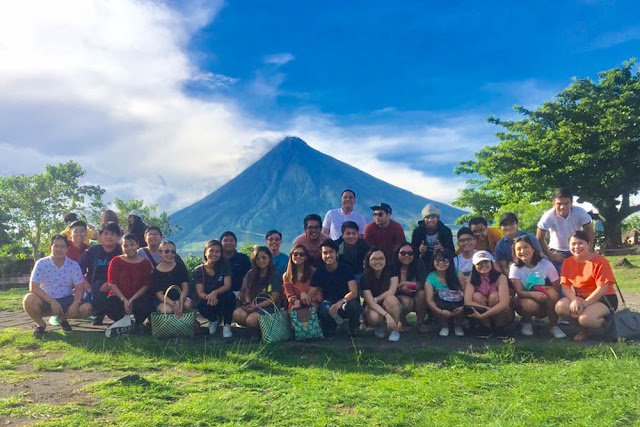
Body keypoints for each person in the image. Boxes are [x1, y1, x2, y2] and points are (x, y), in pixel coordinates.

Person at [23, 235, 93, 338]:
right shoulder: (41, 263)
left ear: (67, 249)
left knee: (87, 308)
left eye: (62, 246)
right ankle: (41, 325)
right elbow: (33, 288)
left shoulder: (73, 265)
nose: (59, 249)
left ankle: (63, 319)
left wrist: (76, 303)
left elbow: (79, 288)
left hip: (66, 299)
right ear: (50, 247)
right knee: (28, 300)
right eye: (56, 246)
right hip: (46, 300)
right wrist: (52, 301)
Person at [555, 231, 617, 342]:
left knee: (585, 319)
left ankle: (611, 325)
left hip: (604, 299)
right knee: (561, 306)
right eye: (573, 244)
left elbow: (602, 288)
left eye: (580, 243)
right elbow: (565, 286)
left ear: (588, 244)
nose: (576, 247)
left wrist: (584, 304)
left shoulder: (600, 261)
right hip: (581, 298)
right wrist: (574, 299)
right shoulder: (567, 262)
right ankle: (584, 330)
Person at [509, 235, 565, 339]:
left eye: (526, 247)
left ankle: (554, 326)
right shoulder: (515, 267)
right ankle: (526, 322)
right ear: (515, 252)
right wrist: (533, 294)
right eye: (518, 249)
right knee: (529, 304)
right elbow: (519, 291)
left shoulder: (546, 264)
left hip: (544, 296)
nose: (522, 251)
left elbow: (557, 287)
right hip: (525, 298)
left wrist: (543, 290)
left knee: (553, 294)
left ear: (533, 249)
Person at [309, 239, 361, 338]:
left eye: (331, 252)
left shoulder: (346, 269)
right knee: (324, 308)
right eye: (325, 253)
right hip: (329, 303)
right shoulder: (319, 272)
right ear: (321, 255)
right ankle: (330, 329)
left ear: (336, 253)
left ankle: (354, 329)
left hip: (345, 302)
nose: (328, 255)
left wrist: (340, 302)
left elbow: (354, 292)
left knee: (354, 305)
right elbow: (311, 293)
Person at [537, 187, 594, 274]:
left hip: (577, 248)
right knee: (561, 278)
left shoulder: (580, 212)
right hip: (558, 252)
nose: (562, 207)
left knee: (585, 275)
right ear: (553, 204)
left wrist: (588, 249)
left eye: (566, 203)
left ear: (571, 203)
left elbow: (590, 231)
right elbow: (539, 238)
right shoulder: (548, 216)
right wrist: (550, 255)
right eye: (559, 204)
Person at [105, 234, 154, 334]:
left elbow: (146, 285)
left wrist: (131, 300)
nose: (129, 248)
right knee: (111, 303)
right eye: (126, 246)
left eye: (132, 245)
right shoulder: (116, 261)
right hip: (119, 298)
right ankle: (126, 323)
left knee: (145, 303)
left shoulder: (145, 263)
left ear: (137, 245)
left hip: (137, 298)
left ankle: (131, 324)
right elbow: (112, 283)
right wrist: (124, 299)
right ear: (122, 247)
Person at [79, 222, 123, 325]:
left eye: (112, 234)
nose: (109, 237)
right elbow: (78, 270)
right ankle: (98, 314)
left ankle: (120, 316)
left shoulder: (122, 250)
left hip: (117, 285)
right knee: (97, 288)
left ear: (117, 237)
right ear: (100, 236)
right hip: (95, 286)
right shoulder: (92, 251)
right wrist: (87, 286)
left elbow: (128, 270)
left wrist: (111, 284)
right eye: (106, 234)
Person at [464, 251, 514, 338]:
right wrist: (488, 309)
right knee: (476, 296)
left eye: (486, 262)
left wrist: (483, 314)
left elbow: (504, 303)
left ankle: (499, 327)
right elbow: (467, 301)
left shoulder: (501, 277)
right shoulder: (472, 278)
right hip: (483, 310)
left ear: (491, 263)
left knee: (494, 296)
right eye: (479, 263)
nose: (483, 265)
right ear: (474, 266)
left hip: (501, 312)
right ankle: (486, 327)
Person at [233, 246, 283, 331]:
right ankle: (252, 330)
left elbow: (273, 299)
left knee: (251, 320)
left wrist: (257, 306)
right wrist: (249, 303)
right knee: (237, 314)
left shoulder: (275, 275)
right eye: (257, 258)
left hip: (268, 306)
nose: (261, 261)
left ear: (269, 259)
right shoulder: (251, 274)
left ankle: (260, 330)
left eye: (264, 258)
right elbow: (246, 291)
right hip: (253, 304)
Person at [194, 240, 235, 338]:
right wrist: (210, 297)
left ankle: (227, 325)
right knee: (200, 304)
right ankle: (213, 320)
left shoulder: (224, 266)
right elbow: (200, 292)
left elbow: (227, 285)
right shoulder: (199, 270)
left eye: (217, 251)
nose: (214, 254)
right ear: (205, 252)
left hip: (222, 296)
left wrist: (215, 293)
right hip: (208, 299)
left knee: (230, 296)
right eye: (211, 251)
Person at [360, 248, 402, 342]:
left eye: (381, 258)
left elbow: (392, 291)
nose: (378, 261)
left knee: (391, 299)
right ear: (368, 261)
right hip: (373, 306)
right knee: (374, 317)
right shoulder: (365, 277)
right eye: (374, 259)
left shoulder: (392, 270)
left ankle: (395, 330)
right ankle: (381, 326)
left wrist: (377, 299)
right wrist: (387, 315)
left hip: (389, 302)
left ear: (386, 260)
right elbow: (370, 302)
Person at [425, 249, 466, 337]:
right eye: (438, 260)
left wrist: (463, 307)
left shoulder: (457, 273)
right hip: (441, 306)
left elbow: (466, 292)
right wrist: (440, 311)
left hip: (458, 304)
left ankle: (458, 325)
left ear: (450, 262)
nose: (441, 263)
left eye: (445, 260)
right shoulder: (431, 277)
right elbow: (429, 300)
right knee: (436, 302)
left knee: (462, 301)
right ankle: (444, 326)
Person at [392, 242, 428, 332]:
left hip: (415, 292)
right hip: (397, 294)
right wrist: (400, 287)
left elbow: (423, 283)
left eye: (410, 253)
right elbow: (388, 287)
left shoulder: (418, 263)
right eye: (403, 253)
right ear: (397, 254)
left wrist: (406, 283)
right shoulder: (391, 265)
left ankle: (420, 322)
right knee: (407, 302)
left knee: (423, 294)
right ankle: (401, 321)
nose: (407, 256)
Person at [151, 241, 194, 316]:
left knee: (188, 304)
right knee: (168, 309)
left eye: (173, 252)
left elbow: (185, 288)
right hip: (163, 300)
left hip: (180, 298)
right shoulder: (156, 272)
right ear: (160, 253)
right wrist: (173, 303)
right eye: (167, 251)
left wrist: (179, 301)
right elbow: (159, 294)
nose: (170, 254)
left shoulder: (180, 267)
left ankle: (189, 324)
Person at [410, 203, 455, 268]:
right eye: (427, 217)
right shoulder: (418, 232)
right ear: (423, 219)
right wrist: (419, 250)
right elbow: (412, 252)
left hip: (442, 263)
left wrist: (442, 249)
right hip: (423, 263)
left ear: (437, 218)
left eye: (433, 217)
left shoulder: (445, 231)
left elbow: (452, 252)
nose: (430, 220)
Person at [282, 245, 322, 312]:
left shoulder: (314, 272)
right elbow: (289, 294)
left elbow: (320, 293)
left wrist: (309, 299)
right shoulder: (286, 276)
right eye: (295, 254)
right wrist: (296, 301)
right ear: (291, 256)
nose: (298, 256)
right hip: (296, 304)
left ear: (306, 257)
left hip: (312, 303)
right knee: (296, 311)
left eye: (302, 254)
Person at [220, 231, 251, 297]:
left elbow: (248, 277)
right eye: (225, 240)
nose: (228, 243)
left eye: (231, 240)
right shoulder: (217, 259)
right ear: (220, 244)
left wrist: (242, 292)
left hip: (239, 293)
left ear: (236, 243)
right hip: (219, 293)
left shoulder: (243, 259)